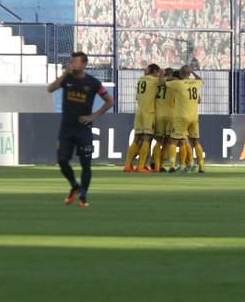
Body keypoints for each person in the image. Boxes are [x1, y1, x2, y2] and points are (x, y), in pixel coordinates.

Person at [47, 52, 114, 207]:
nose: (72, 64)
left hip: (83, 129)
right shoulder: (67, 79)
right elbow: (50, 88)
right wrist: (64, 74)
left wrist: (94, 116)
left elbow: (110, 101)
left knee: (86, 164)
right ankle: (74, 186)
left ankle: (83, 196)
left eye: (75, 62)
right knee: (62, 160)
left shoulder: (93, 83)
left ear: (84, 64)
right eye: (71, 61)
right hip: (66, 129)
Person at [123, 63, 162, 173]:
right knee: (147, 138)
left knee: (136, 138)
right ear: (155, 72)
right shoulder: (154, 80)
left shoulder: (141, 80)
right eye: (157, 72)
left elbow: (137, 97)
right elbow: (163, 83)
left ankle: (128, 165)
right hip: (149, 112)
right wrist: (162, 75)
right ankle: (141, 166)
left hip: (139, 112)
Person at [167, 66, 205, 174]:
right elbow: (201, 81)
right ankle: (201, 166)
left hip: (181, 116)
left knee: (174, 141)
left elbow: (164, 82)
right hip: (194, 116)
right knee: (195, 141)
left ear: (180, 73)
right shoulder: (196, 84)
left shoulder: (179, 84)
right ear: (189, 73)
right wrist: (193, 72)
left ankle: (172, 165)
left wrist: (171, 78)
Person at [152, 66, 176, 171]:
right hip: (170, 115)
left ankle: (156, 164)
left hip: (158, 115)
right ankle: (163, 164)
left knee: (159, 141)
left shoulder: (157, 83)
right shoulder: (175, 84)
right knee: (169, 142)